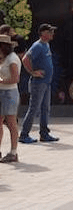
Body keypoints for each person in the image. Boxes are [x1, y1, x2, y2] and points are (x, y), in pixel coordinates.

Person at [19, 23, 58, 144]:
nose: (52, 33)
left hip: (46, 82)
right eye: (50, 31)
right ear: (43, 33)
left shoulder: (46, 45)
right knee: (34, 108)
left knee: (45, 108)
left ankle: (44, 134)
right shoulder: (37, 45)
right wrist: (32, 72)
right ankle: (24, 134)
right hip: (38, 83)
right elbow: (25, 59)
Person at [0, 33, 21, 162]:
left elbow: (15, 79)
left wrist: (1, 81)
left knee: (12, 123)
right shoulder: (3, 58)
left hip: (10, 93)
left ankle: (13, 152)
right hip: (1, 92)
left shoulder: (12, 59)